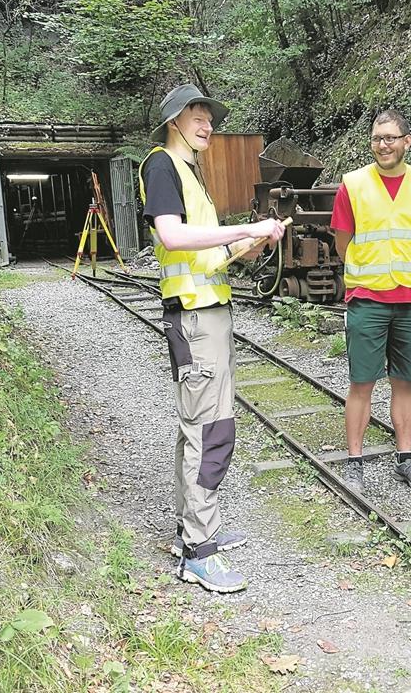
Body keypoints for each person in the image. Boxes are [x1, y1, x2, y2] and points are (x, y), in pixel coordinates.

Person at [139, 83, 286, 593]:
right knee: (211, 429)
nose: (207, 125)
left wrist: (250, 241)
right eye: (196, 116)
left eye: (210, 118)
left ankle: (192, 528)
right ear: (173, 121)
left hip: (208, 314)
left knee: (195, 425)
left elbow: (203, 255)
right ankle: (200, 550)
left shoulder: (190, 173)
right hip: (196, 319)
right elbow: (172, 237)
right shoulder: (161, 165)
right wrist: (237, 231)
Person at [330, 109, 411, 494]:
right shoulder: (353, 184)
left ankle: (405, 459)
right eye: (378, 138)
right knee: (361, 382)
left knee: (405, 381)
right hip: (367, 298)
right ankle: (354, 463)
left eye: (391, 138)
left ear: (407, 142)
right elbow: (342, 243)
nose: (384, 145)